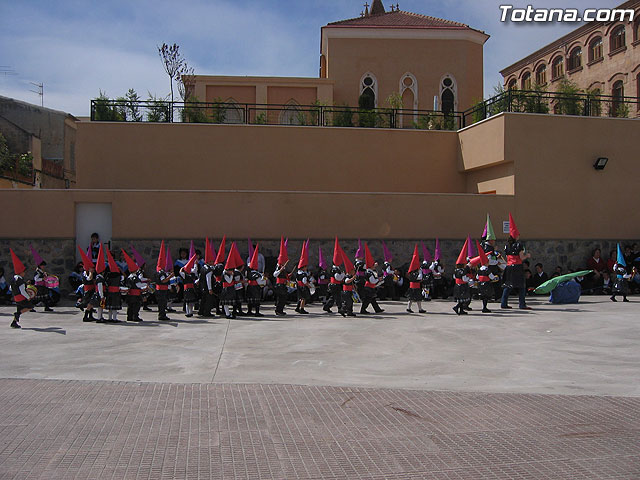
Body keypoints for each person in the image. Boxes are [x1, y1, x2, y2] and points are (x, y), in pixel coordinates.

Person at [501, 214, 532, 310]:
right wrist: (527, 255)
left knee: (508, 285)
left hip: (509, 267)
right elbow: (521, 257)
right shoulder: (519, 245)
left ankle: (503, 303)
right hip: (517, 267)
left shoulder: (507, 246)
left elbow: (506, 258)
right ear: (516, 235)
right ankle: (522, 304)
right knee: (521, 286)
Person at [8, 249, 34, 329]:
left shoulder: (13, 279)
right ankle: (17, 314)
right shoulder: (20, 280)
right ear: (20, 272)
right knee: (30, 307)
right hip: (22, 297)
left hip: (16, 298)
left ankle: (14, 323)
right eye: (24, 272)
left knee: (19, 308)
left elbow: (10, 289)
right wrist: (28, 297)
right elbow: (22, 291)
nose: (25, 273)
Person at [360, 243, 384, 314]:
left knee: (373, 299)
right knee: (368, 300)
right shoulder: (369, 273)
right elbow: (372, 281)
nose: (374, 266)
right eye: (373, 265)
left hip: (370, 287)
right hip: (369, 288)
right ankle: (363, 310)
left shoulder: (370, 271)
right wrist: (378, 280)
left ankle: (377, 309)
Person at [122, 249, 144, 322]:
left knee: (130, 306)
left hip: (129, 294)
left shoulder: (129, 277)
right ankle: (135, 317)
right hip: (135, 294)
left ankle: (129, 317)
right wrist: (145, 286)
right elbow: (138, 285)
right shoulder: (135, 277)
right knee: (136, 306)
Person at [78, 246, 99, 322]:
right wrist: (90, 272)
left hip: (92, 289)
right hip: (88, 290)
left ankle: (90, 316)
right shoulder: (86, 273)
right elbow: (89, 279)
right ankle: (85, 316)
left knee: (92, 303)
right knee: (90, 303)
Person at [453, 239, 472, 315]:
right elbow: (464, 279)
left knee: (461, 299)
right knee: (463, 298)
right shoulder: (463, 271)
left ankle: (461, 310)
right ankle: (457, 307)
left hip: (457, 286)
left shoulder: (456, 270)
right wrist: (468, 279)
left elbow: (454, 277)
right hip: (462, 286)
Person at [154, 241, 172, 321]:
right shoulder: (161, 272)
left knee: (163, 303)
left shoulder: (161, 271)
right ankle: (162, 315)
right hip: (161, 290)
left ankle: (162, 314)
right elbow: (163, 281)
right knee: (162, 304)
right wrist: (170, 276)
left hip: (162, 290)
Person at [104, 248, 123, 323]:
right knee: (114, 307)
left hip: (109, 291)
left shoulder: (107, 275)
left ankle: (109, 318)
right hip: (115, 292)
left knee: (110, 307)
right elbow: (122, 279)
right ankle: (114, 319)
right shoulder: (118, 276)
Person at [246, 244, 265, 317]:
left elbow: (263, 264)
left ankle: (253, 311)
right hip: (253, 286)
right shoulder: (249, 259)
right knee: (254, 299)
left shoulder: (260, 256)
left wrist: (262, 272)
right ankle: (252, 311)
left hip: (252, 285)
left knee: (253, 299)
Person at [406, 245, 426, 314]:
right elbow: (419, 277)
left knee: (413, 298)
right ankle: (415, 308)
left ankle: (413, 308)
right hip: (415, 286)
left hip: (414, 286)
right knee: (416, 298)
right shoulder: (415, 272)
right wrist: (420, 271)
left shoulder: (412, 272)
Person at [273, 237, 289, 316]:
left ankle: (280, 310)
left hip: (283, 285)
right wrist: (280, 270)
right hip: (279, 285)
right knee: (280, 299)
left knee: (283, 299)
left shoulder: (284, 268)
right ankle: (278, 310)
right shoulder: (279, 267)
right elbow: (275, 274)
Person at [339, 251, 357, 317]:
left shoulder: (350, 276)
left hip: (349, 291)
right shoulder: (347, 276)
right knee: (347, 302)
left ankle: (350, 312)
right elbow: (347, 281)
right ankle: (342, 310)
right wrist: (353, 278)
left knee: (351, 302)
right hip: (346, 291)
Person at [295, 242, 311, 314]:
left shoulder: (298, 273)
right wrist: (309, 285)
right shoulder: (303, 274)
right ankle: (302, 308)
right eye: (305, 266)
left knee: (300, 298)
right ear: (303, 267)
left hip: (299, 286)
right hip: (303, 287)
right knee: (303, 299)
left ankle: (297, 308)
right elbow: (304, 281)